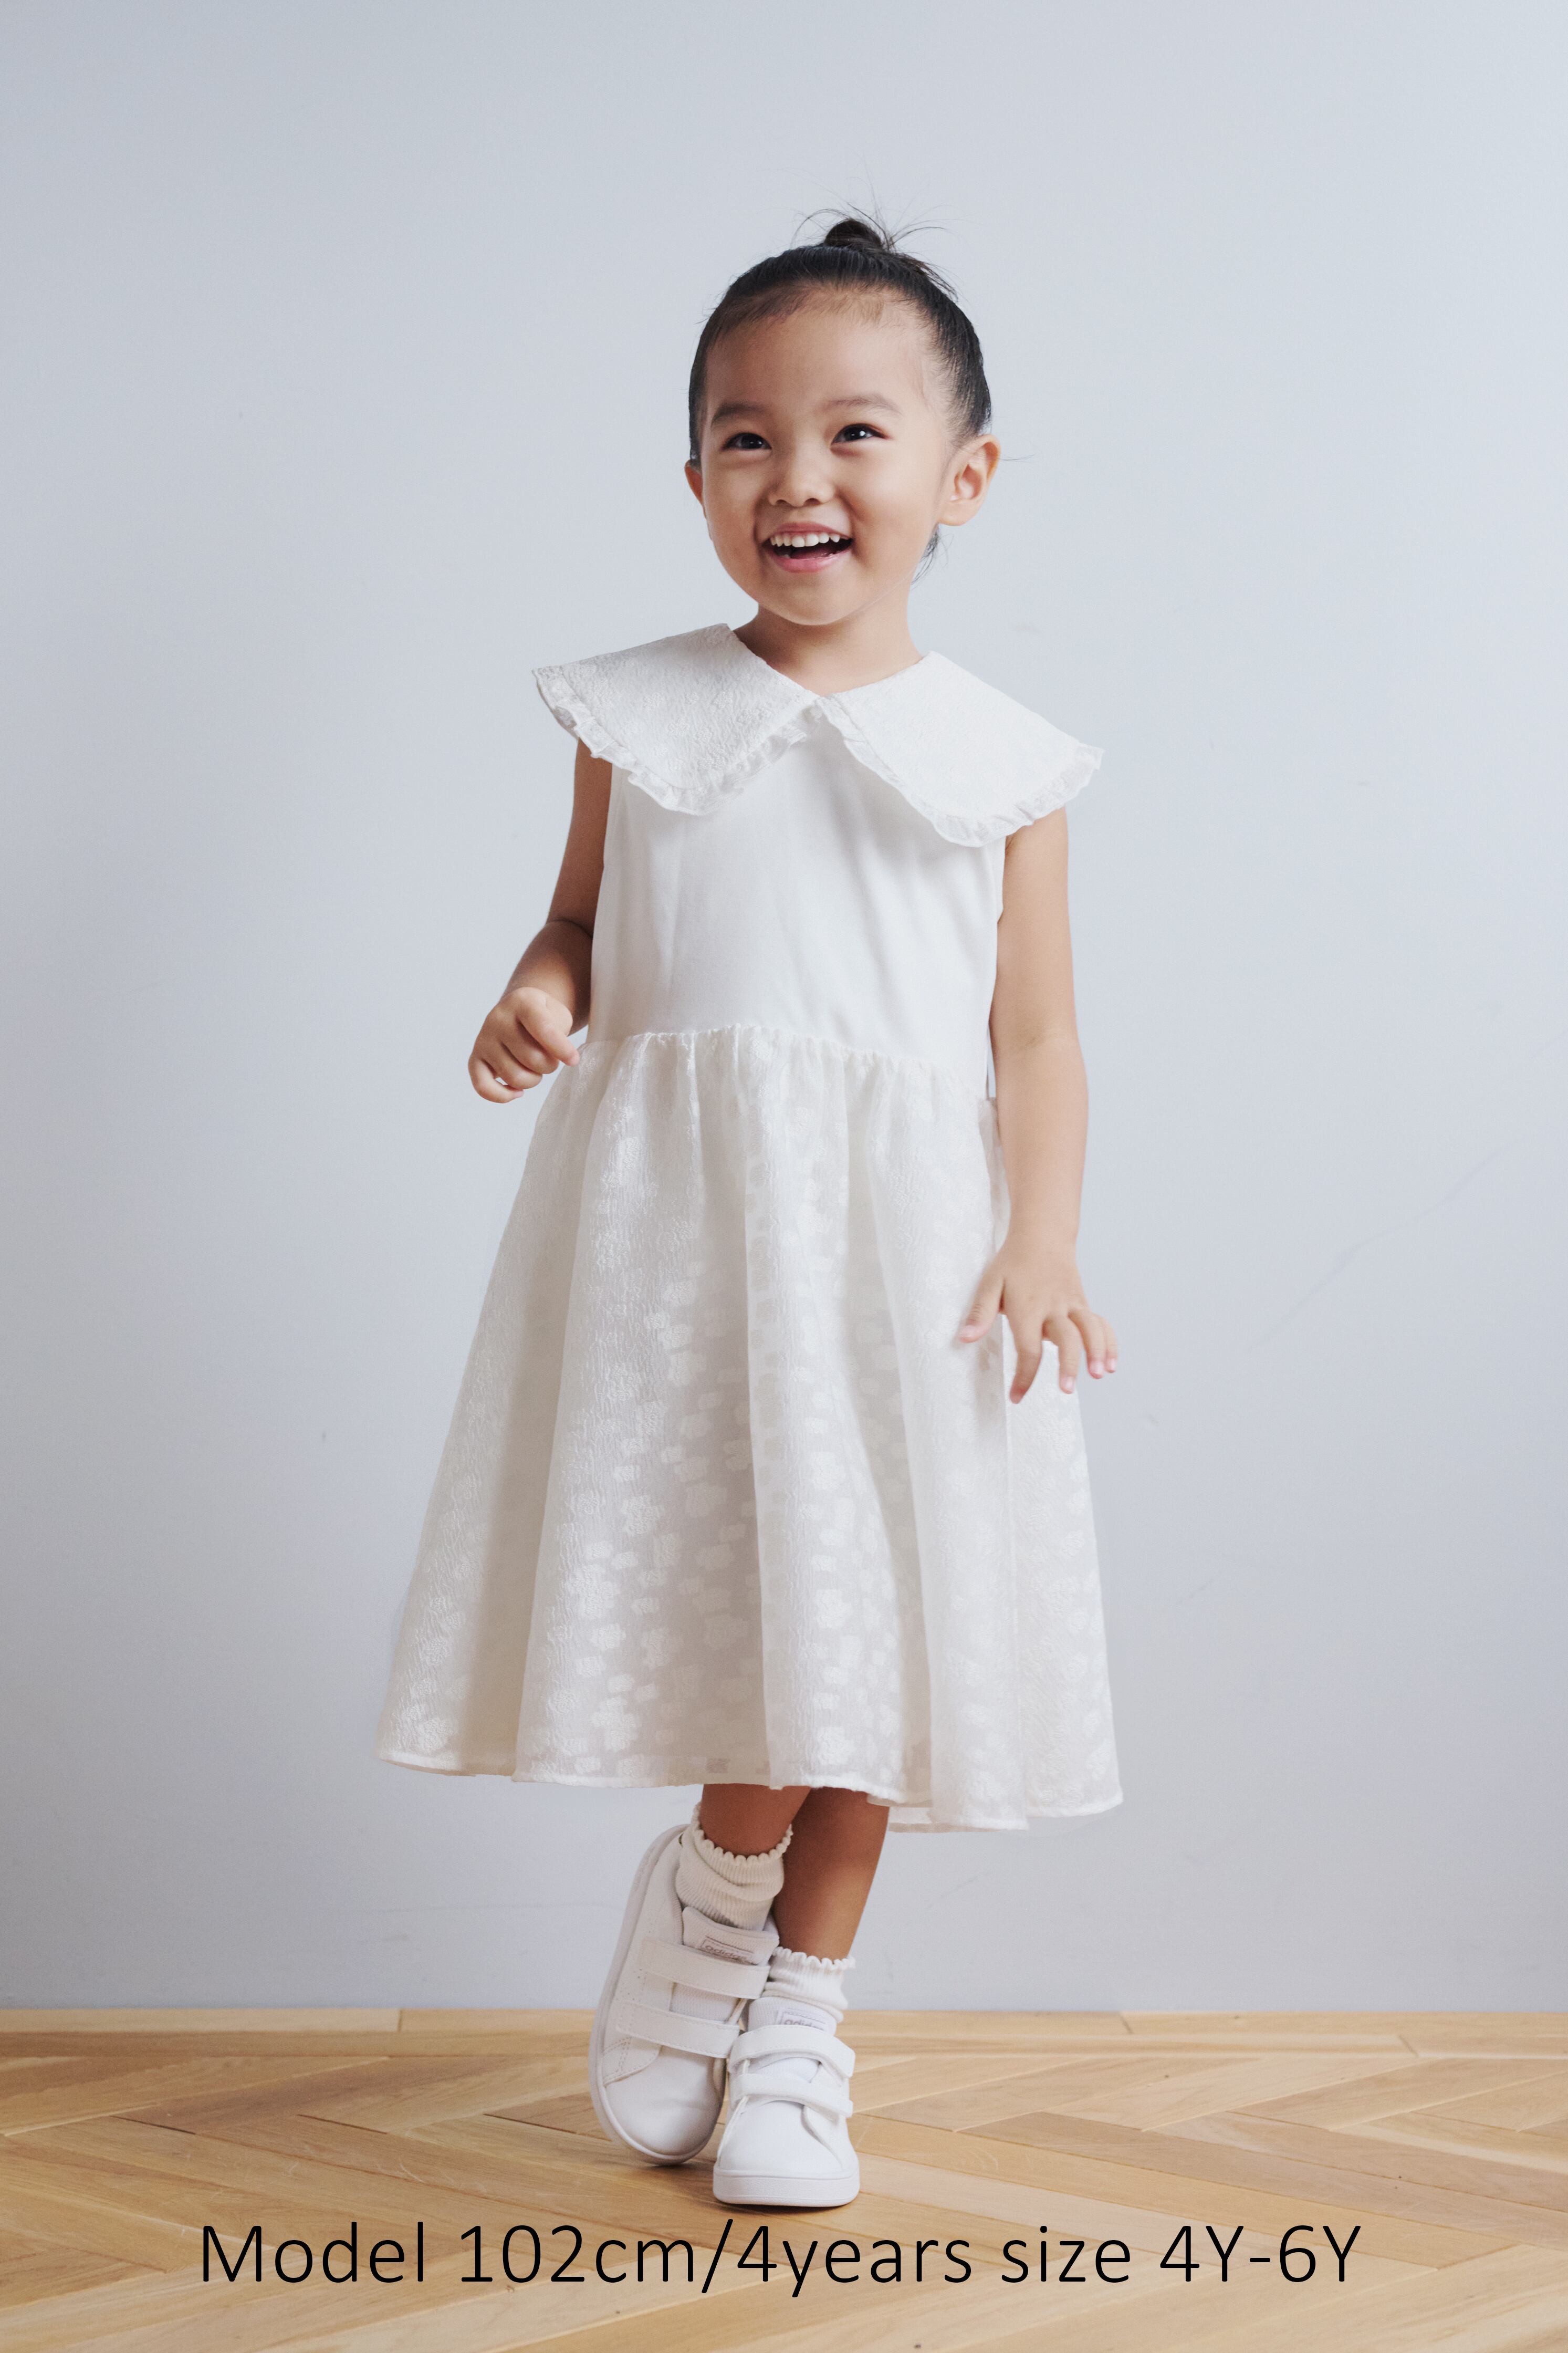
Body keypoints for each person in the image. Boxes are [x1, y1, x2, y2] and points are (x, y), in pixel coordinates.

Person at [376, 214, 1122, 2209]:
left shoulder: (1004, 766)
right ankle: (714, 1897)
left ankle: (797, 2009)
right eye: (745, 437)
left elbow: (1036, 1037)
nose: (798, 476)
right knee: (777, 1628)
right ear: (698, 475)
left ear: (962, 476)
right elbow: (578, 921)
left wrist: (1042, 1237)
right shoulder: (642, 717)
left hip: (911, 1266)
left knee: (878, 1643)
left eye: (855, 432)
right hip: (694, 1255)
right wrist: (540, 991)